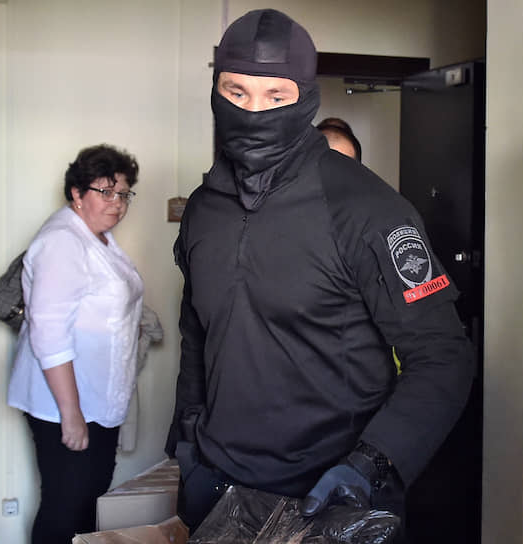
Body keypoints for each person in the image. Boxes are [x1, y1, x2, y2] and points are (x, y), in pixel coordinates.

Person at [165, 8, 475, 534]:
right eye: (237, 92)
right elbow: (197, 331)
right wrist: (187, 441)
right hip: (217, 485)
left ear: (306, 98)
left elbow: (444, 355)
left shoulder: (367, 208)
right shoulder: (203, 208)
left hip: (332, 495)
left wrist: (371, 464)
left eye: (275, 96)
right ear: (216, 90)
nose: (253, 112)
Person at [7, 144, 143, 544]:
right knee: (64, 507)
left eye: (124, 194)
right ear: (77, 193)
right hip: (65, 404)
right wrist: (71, 414)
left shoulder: (97, 238)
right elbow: (49, 332)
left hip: (97, 399)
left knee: (87, 500)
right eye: (106, 191)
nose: (117, 203)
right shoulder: (62, 241)